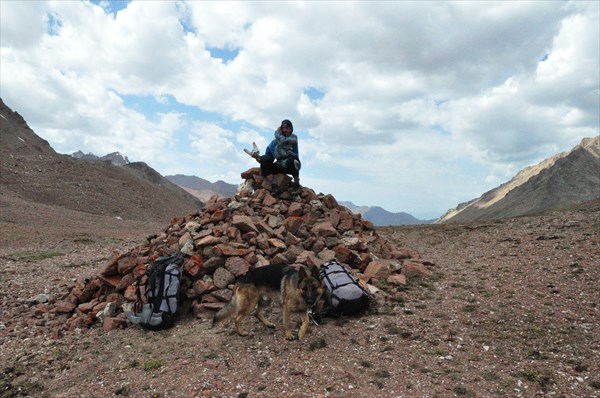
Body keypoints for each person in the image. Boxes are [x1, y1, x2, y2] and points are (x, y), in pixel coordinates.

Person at [249, 119, 301, 190]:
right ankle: (275, 186)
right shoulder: (274, 143)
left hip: (289, 165)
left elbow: (296, 155)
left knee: (294, 161)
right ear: (282, 129)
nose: (287, 131)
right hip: (279, 165)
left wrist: (291, 154)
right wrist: (259, 157)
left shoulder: (293, 139)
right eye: (285, 128)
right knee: (264, 165)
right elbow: (269, 157)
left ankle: (296, 184)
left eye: (289, 129)